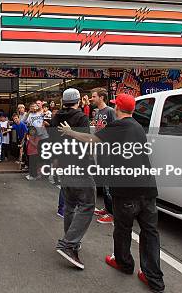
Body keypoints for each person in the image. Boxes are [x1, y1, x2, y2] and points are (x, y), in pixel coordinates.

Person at [59, 94, 164, 292]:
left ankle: (124, 263)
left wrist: (70, 132)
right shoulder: (137, 126)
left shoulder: (120, 126)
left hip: (126, 190)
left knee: (123, 229)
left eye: (115, 106)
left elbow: (92, 139)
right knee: (150, 232)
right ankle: (154, 278)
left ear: (118, 109)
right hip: (148, 188)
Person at [52, 88, 93, 270]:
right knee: (87, 205)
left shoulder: (55, 117)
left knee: (69, 205)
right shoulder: (81, 117)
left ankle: (72, 241)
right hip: (80, 165)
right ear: (78, 100)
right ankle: (69, 243)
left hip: (63, 164)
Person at [90, 87, 117, 224]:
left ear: (101, 97)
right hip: (100, 150)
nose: (91, 98)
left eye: (94, 96)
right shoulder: (97, 113)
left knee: (108, 183)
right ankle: (107, 208)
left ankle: (112, 213)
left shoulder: (110, 111)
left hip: (108, 152)